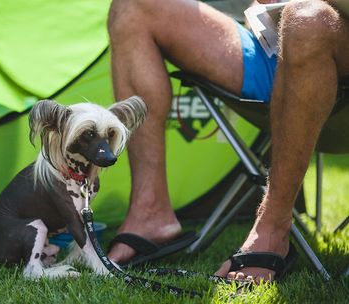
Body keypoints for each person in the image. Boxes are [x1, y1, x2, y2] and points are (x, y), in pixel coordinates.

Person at [106, 0, 349, 282]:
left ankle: (273, 229)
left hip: (326, 46)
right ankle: (150, 211)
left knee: (306, 20)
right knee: (133, 6)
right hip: (271, 45)